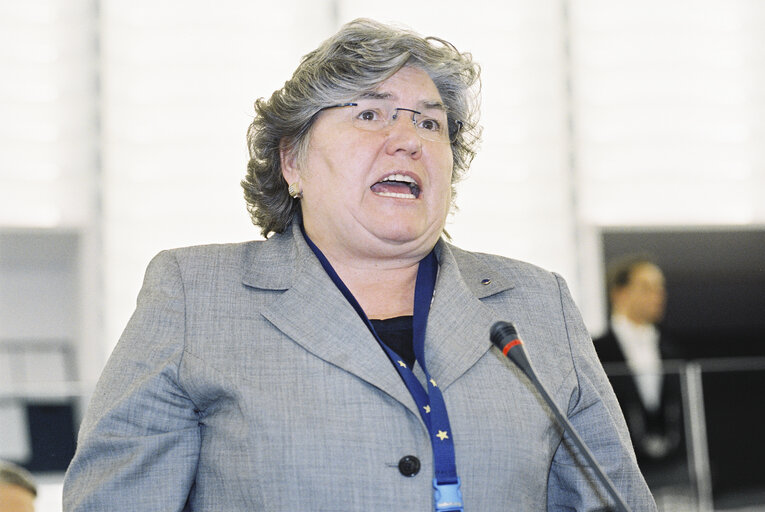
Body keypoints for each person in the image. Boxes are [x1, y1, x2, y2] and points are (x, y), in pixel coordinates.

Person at [63, 19, 655, 511]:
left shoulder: (535, 303)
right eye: (370, 114)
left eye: (430, 122)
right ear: (292, 160)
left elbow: (613, 498)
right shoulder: (196, 296)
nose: (407, 139)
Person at [592, 255, 685, 487]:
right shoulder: (595, 350)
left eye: (660, 287)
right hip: (616, 472)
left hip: (671, 470)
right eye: (647, 287)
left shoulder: (672, 349)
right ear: (619, 293)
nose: (658, 295)